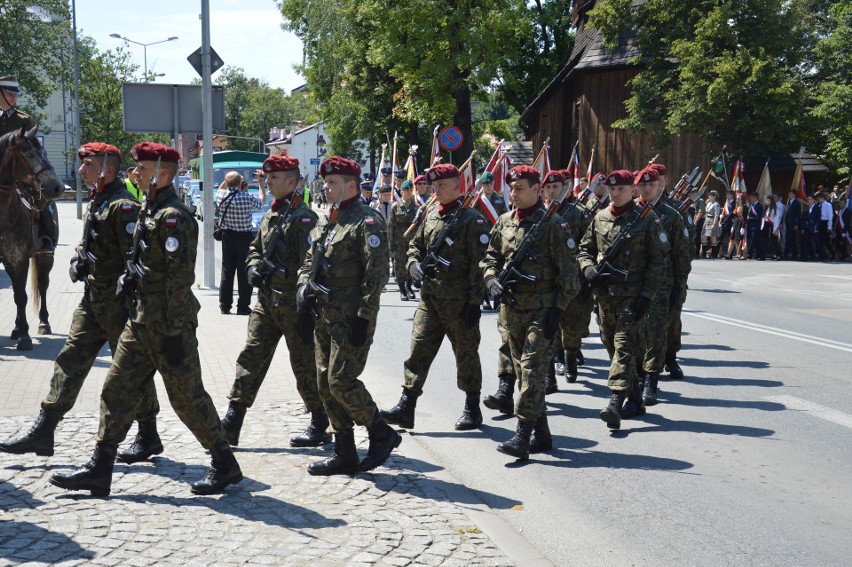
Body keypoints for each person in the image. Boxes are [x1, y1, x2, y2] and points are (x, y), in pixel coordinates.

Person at [49, 142, 242, 497]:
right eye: (135, 168)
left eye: (141, 168)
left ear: (162, 172)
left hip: (168, 326)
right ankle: (100, 467)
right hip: (140, 321)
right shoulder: (152, 208)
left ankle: (224, 463)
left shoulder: (175, 217)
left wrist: (170, 331)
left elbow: (177, 280)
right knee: (116, 389)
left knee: (187, 399)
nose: (134, 174)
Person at [0, 143, 162, 461]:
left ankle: (148, 434)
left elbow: (137, 255)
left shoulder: (124, 205)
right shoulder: (98, 198)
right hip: (92, 302)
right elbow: (90, 240)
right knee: (69, 362)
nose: (80, 171)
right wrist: (79, 259)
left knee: (130, 370)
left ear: (107, 169)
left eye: (87, 164)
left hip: (117, 305)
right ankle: (44, 431)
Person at [296, 156, 401, 475]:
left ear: (351, 186)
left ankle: (381, 433)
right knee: (324, 382)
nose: (326, 187)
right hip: (323, 313)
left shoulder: (366, 220)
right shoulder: (327, 219)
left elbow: (377, 273)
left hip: (351, 315)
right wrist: (302, 287)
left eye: (332, 183)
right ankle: (345, 451)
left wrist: (363, 317)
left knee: (341, 381)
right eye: (325, 183)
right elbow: (308, 260)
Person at [219, 155, 330, 449]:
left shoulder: (305, 219)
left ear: (292, 182)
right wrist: (254, 266)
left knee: (304, 363)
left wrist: (306, 301)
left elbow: (312, 262)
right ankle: (233, 418)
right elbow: (255, 248)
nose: (267, 182)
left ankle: (320, 420)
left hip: (294, 303)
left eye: (274, 178)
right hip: (267, 302)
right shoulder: (271, 215)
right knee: (251, 356)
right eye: (266, 177)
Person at [381, 164, 490, 432]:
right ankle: (407, 406)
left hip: (460, 301)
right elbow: (415, 246)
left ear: (457, 186)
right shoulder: (430, 214)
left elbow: (482, 264)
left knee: (465, 355)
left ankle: (472, 407)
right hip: (430, 299)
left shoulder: (471, 220)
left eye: (442, 185)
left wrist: (475, 303)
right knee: (418, 351)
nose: (436, 190)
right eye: (434, 185)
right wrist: (413, 264)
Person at [481, 165, 579, 459]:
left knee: (534, 373)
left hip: (542, 311)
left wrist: (557, 311)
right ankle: (543, 435)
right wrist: (490, 277)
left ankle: (522, 436)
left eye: (520, 187)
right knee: (525, 374)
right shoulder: (504, 221)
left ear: (537, 189)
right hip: (511, 310)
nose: (514, 193)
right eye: (511, 188)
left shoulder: (553, 225)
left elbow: (571, 277)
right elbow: (490, 257)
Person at [578, 169, 665, 430]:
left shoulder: (647, 220)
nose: (615, 193)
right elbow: (585, 249)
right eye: (612, 189)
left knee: (624, 346)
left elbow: (658, 262)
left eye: (621, 189)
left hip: (633, 296)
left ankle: (615, 401)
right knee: (611, 346)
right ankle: (636, 400)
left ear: (633, 191)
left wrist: (647, 296)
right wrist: (587, 267)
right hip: (605, 297)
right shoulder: (600, 218)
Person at [633, 167, 690, 408]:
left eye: (651, 184)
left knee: (655, 332)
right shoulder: (629, 213)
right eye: (642, 185)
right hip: (631, 285)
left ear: (660, 185)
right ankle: (636, 373)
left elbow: (682, 254)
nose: (647, 188)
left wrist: (679, 286)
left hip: (661, 285)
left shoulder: (671, 215)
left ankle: (651, 381)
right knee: (632, 335)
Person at [0, 75, 58, 253]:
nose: (14, 99)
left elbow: (32, 146)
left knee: (42, 194)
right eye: (10, 95)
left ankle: (46, 237)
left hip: (20, 172)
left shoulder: (23, 119)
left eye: (15, 95)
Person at [216, 170, 266, 315]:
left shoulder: (221, 196)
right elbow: (262, 201)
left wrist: (230, 180)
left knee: (227, 271)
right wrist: (261, 184)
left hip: (227, 236)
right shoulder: (246, 197)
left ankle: (225, 305)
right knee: (243, 273)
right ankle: (243, 306)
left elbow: (221, 188)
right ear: (240, 183)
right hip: (244, 237)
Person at [389, 180, 418, 301]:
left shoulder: (416, 207)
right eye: (407, 190)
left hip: (411, 241)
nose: (409, 192)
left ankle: (409, 287)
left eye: (411, 190)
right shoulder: (396, 206)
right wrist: (391, 245)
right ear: (401, 191)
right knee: (400, 265)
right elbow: (391, 226)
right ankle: (402, 290)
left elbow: (418, 226)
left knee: (411, 263)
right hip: (399, 241)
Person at [700, 191, 721, 258]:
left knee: (713, 237)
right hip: (707, 220)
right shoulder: (708, 203)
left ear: (714, 196)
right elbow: (706, 213)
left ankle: (714, 254)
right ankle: (703, 254)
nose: (709, 196)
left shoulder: (716, 204)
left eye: (711, 195)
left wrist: (714, 224)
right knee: (703, 236)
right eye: (709, 195)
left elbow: (716, 215)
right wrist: (704, 223)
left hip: (712, 220)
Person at [783, 190, 802, 260]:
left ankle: (785, 254)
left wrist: (796, 224)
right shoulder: (788, 202)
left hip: (793, 223)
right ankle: (795, 255)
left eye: (791, 194)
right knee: (792, 240)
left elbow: (798, 214)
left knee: (788, 238)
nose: (789, 196)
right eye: (789, 194)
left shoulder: (797, 203)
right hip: (788, 222)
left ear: (794, 195)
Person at [746, 192, 765, 260]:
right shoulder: (751, 205)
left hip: (756, 225)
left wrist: (749, 218)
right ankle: (759, 254)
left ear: (756, 198)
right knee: (755, 241)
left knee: (753, 240)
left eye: (752, 197)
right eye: (751, 197)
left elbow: (758, 217)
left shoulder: (759, 206)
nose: (751, 198)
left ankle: (749, 253)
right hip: (750, 225)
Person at [816, 192, 834, 260]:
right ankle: (822, 254)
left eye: (819, 199)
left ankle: (832, 253)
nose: (818, 201)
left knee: (826, 240)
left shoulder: (828, 205)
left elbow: (830, 216)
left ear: (822, 198)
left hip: (825, 222)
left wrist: (829, 226)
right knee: (820, 240)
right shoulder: (818, 205)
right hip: (820, 223)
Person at [802, 195, 819, 261]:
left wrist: (816, 228)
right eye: (808, 199)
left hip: (814, 228)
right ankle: (805, 257)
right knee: (806, 242)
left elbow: (818, 219)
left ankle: (822, 255)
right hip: (807, 227)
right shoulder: (806, 208)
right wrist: (803, 228)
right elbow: (804, 219)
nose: (808, 200)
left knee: (817, 242)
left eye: (810, 199)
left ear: (813, 200)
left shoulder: (817, 208)